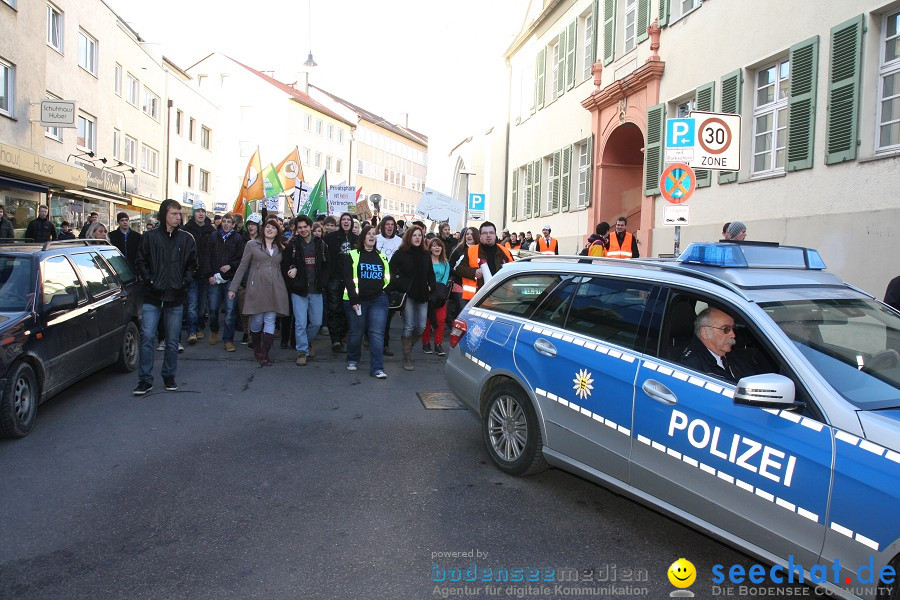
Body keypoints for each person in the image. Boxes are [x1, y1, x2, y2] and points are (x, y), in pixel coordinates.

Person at [133, 199, 198, 395]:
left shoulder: (187, 239)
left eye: (179, 214)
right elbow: (140, 262)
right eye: (174, 214)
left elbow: (192, 265)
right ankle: (145, 380)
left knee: (172, 341)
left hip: (176, 298)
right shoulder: (150, 237)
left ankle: (169, 375)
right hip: (153, 296)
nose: (178, 217)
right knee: (147, 337)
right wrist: (151, 281)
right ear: (164, 215)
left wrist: (183, 283)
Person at [228, 218, 290, 366]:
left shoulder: (280, 247)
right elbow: (242, 267)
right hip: (257, 286)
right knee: (257, 321)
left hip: (276, 286)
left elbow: (288, 264)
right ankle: (256, 347)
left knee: (270, 319)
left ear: (277, 231)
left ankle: (264, 353)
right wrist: (233, 288)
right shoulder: (252, 244)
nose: (270, 229)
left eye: (273, 228)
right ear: (263, 229)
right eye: (268, 227)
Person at [343, 225, 390, 378]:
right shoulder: (353, 255)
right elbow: (348, 278)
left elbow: (387, 279)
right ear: (363, 237)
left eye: (374, 234)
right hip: (357, 300)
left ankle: (377, 368)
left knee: (376, 333)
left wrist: (382, 290)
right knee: (357, 332)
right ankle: (353, 358)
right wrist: (354, 299)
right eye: (368, 234)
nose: (372, 236)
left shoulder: (382, 256)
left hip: (378, 299)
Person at [282, 215, 326, 366]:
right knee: (300, 323)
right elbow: (285, 266)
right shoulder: (292, 245)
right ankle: (302, 351)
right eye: (299, 227)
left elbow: (327, 265)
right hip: (299, 290)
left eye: (305, 226)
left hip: (316, 290)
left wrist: (323, 282)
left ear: (310, 226)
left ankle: (307, 342)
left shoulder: (320, 244)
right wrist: (291, 272)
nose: (302, 230)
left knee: (317, 322)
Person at [390, 226, 436, 371]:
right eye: (414, 235)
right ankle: (407, 357)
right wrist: (401, 284)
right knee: (409, 325)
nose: (417, 238)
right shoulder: (400, 253)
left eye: (420, 235)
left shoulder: (425, 254)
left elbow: (430, 273)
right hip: (408, 294)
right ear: (409, 237)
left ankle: (408, 348)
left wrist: (431, 286)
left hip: (422, 293)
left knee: (421, 326)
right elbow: (390, 271)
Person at [202, 213, 245, 352]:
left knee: (230, 310)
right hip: (214, 278)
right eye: (224, 221)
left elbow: (241, 259)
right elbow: (206, 256)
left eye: (229, 222)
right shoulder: (214, 236)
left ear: (233, 225)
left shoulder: (238, 239)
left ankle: (228, 339)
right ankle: (214, 330)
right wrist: (209, 275)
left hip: (230, 279)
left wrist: (230, 266)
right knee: (213, 309)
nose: (226, 224)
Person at [678, 307, 754, 383]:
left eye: (733, 329)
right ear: (705, 333)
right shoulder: (691, 368)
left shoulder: (732, 355)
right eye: (726, 329)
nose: (733, 335)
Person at [323, 212, 358, 353]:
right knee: (334, 309)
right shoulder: (330, 238)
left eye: (347, 219)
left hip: (351, 280)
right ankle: (335, 340)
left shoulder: (357, 239)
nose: (345, 222)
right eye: (343, 219)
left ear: (351, 222)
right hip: (335, 279)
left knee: (347, 309)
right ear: (340, 223)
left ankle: (343, 335)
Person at [456, 222, 514, 301]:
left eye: (491, 233)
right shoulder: (470, 251)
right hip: (478, 298)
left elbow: (513, 271)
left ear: (495, 235)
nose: (488, 235)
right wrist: (474, 272)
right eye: (485, 233)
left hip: (501, 297)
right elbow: (459, 269)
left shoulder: (505, 252)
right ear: (480, 236)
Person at [184, 201, 215, 344]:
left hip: (206, 273)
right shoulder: (186, 230)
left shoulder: (211, 230)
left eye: (203, 210)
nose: (201, 213)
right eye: (198, 211)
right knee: (192, 305)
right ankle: (192, 331)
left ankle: (200, 326)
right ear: (193, 213)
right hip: (191, 273)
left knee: (202, 307)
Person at [422, 238, 450, 356]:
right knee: (427, 320)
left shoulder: (445, 263)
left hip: (440, 296)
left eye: (439, 245)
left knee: (441, 320)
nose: (437, 248)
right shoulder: (426, 261)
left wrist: (440, 291)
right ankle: (426, 343)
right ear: (430, 248)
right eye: (434, 246)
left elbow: (445, 278)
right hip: (428, 294)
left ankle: (438, 344)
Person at [447, 226, 479, 325]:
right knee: (463, 312)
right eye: (467, 234)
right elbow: (450, 267)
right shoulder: (458, 250)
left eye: (471, 234)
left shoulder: (481, 250)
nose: (469, 236)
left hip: (476, 287)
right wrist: (463, 272)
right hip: (459, 285)